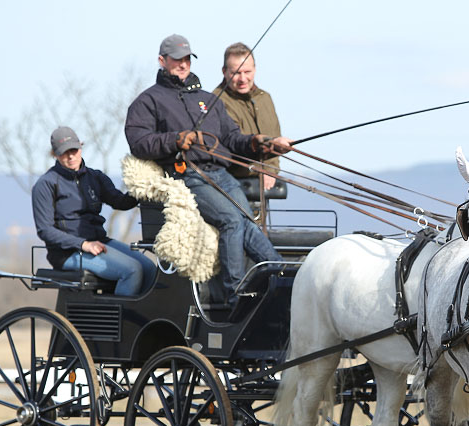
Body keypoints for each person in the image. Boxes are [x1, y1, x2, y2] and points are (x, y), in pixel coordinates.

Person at [124, 34, 291, 310]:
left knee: (248, 222)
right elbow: (139, 143)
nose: (183, 64)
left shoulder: (207, 100)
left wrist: (261, 143)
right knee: (232, 221)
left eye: (187, 59)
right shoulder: (148, 101)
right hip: (188, 174)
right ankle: (234, 294)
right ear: (162, 61)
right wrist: (176, 139)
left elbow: (233, 137)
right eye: (177, 59)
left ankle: (282, 276)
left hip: (221, 173)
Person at [32, 126, 157, 296]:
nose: (70, 156)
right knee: (132, 270)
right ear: (54, 154)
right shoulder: (46, 184)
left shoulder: (95, 177)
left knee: (149, 268)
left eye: (74, 150)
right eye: (63, 152)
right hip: (67, 252)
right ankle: (117, 321)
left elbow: (121, 202)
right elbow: (45, 230)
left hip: (99, 242)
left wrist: (144, 187)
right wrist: (83, 244)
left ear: (80, 147)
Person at [214, 42, 281, 192]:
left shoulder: (265, 99)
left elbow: (275, 140)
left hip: (265, 189)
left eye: (247, 72)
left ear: (255, 70)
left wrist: (270, 170)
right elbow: (230, 146)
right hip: (232, 187)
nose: (243, 79)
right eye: (236, 73)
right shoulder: (216, 102)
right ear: (224, 71)